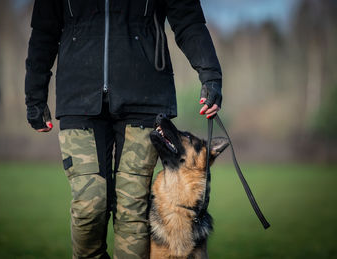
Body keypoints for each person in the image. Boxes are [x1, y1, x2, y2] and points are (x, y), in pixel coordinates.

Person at [25, 0, 222, 258]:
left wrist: (211, 76)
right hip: (78, 96)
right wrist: (35, 95)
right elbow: (44, 29)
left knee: (133, 212)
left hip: (146, 95)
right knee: (88, 207)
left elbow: (188, 19)